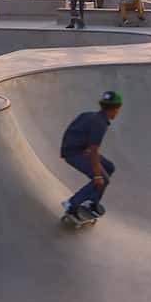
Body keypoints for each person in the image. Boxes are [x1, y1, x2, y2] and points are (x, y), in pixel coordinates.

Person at [58, 90, 123, 222]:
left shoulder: (89, 115)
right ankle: (72, 204)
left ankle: (91, 202)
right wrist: (98, 176)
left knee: (109, 167)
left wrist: (81, 145)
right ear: (116, 108)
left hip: (76, 148)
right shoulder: (100, 124)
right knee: (102, 179)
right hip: (73, 153)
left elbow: (73, 129)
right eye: (118, 109)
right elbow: (94, 151)